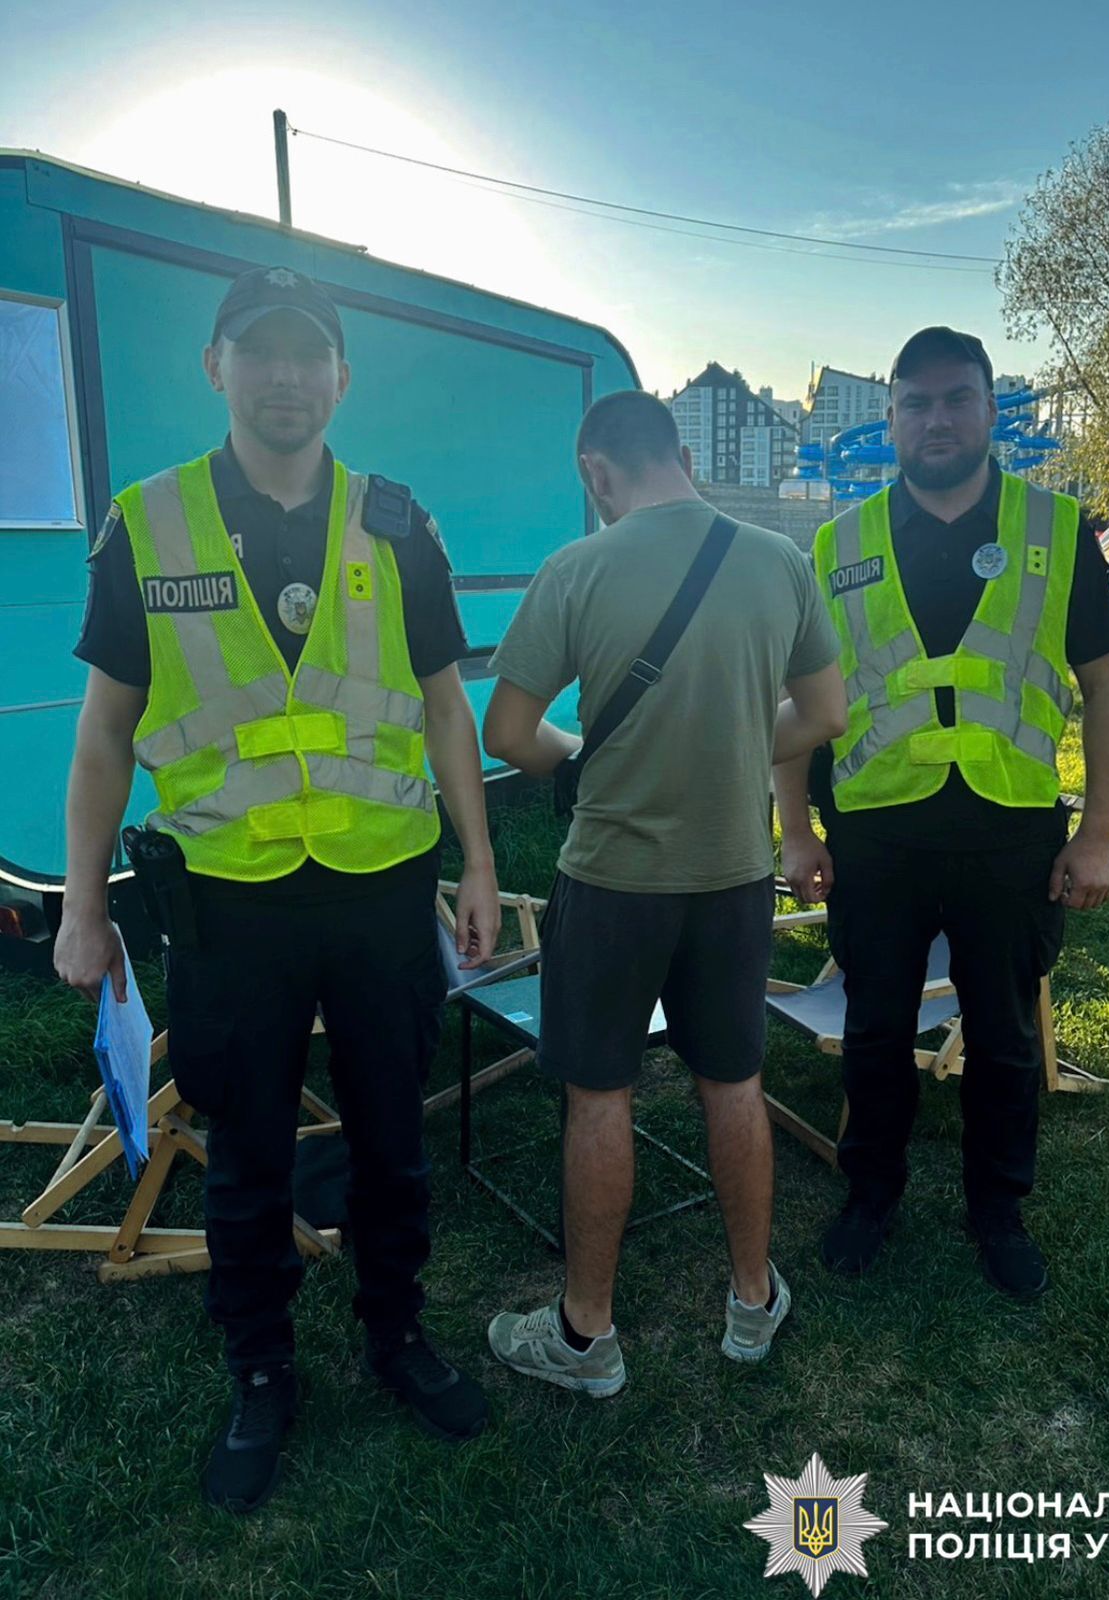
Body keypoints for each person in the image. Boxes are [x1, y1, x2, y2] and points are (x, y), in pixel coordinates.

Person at [55, 266, 500, 1511]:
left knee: (392, 1145)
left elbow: (444, 703)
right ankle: (261, 1370)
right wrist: (83, 905)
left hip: (377, 895)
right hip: (231, 905)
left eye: (311, 354)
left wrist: (475, 858)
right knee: (246, 1158)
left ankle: (396, 1335)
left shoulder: (399, 522)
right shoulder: (147, 525)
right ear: (218, 366)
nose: (287, 375)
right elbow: (104, 736)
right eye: (261, 351)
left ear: (343, 378)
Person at [481, 390, 845, 1395]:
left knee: (599, 1093)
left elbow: (506, 735)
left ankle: (587, 1338)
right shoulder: (780, 563)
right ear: (681, 453)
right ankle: (749, 1301)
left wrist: (580, 761)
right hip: (732, 879)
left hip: (610, 881)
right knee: (732, 1080)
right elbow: (825, 709)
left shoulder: (575, 569)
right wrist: (732, 744)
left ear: (595, 472)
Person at [775, 327, 1109, 1299]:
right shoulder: (834, 544)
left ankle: (996, 1210)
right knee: (875, 1030)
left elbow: (1106, 690)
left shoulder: (1057, 531)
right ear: (889, 420)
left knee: (1005, 1037)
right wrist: (797, 830)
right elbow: (803, 704)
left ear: (988, 410)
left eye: (956, 398)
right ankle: (870, 1196)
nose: (936, 418)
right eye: (916, 402)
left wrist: (1096, 835)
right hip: (877, 835)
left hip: (1007, 836)